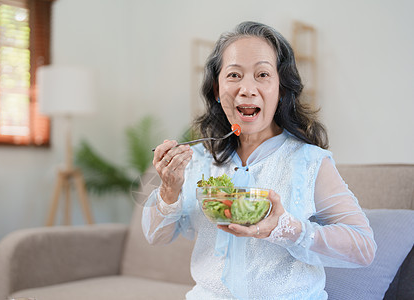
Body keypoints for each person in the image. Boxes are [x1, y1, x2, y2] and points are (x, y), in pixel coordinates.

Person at [142, 21, 376, 300]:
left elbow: (363, 248)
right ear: (217, 90)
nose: (247, 89)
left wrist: (287, 228)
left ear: (282, 91)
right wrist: (169, 189)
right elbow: (156, 236)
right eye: (234, 75)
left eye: (262, 74)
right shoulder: (199, 161)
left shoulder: (309, 162)